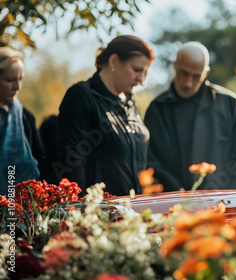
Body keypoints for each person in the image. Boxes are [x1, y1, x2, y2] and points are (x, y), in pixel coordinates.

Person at [144, 41, 236, 191]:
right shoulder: (157, 108)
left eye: (196, 76)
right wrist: (177, 195)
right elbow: (149, 160)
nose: (188, 83)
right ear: (175, 66)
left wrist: (234, 204)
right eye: (184, 73)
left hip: (220, 206)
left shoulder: (231, 105)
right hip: (171, 206)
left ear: (206, 73)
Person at [56, 35, 154, 196]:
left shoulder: (130, 102)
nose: (141, 80)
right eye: (136, 70)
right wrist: (81, 212)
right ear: (114, 61)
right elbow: (72, 161)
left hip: (134, 210)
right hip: (99, 212)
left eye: (145, 73)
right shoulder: (81, 95)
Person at [0, 47, 45, 194]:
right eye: (10, 80)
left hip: (24, 206)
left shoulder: (25, 117)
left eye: (20, 79)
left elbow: (41, 159)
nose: (17, 87)